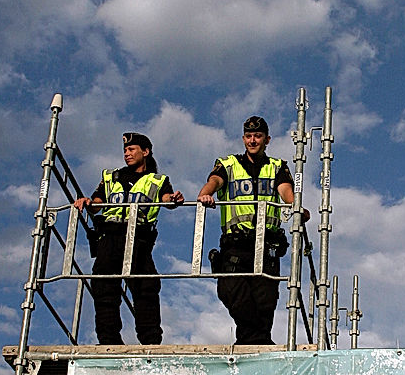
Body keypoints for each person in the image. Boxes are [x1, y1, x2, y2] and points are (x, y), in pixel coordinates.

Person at [197, 115, 308, 345]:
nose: (253, 140)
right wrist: (205, 193)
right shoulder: (229, 164)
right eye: (248, 136)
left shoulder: (277, 167)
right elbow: (216, 180)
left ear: (267, 139)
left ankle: (252, 343)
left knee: (264, 301)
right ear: (243, 138)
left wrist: (295, 206)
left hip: (266, 244)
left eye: (257, 136)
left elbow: (286, 191)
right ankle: (259, 342)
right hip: (236, 242)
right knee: (230, 290)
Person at [74, 132, 183, 345]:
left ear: (146, 151)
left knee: (146, 288)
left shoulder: (158, 180)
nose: (127, 154)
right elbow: (97, 203)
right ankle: (108, 341)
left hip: (139, 241)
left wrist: (174, 199)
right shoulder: (111, 177)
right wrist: (87, 202)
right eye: (125, 150)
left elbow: (167, 200)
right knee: (105, 288)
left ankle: (150, 342)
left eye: (132, 149)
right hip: (110, 238)